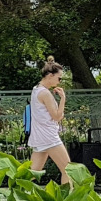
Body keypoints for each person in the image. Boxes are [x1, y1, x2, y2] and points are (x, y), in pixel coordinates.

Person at [29, 58, 72, 187]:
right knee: (68, 170)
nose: (60, 81)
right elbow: (57, 116)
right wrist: (63, 98)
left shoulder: (36, 90)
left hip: (41, 136)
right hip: (49, 137)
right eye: (59, 78)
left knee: (31, 173)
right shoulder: (45, 93)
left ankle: (15, 196)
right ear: (50, 76)